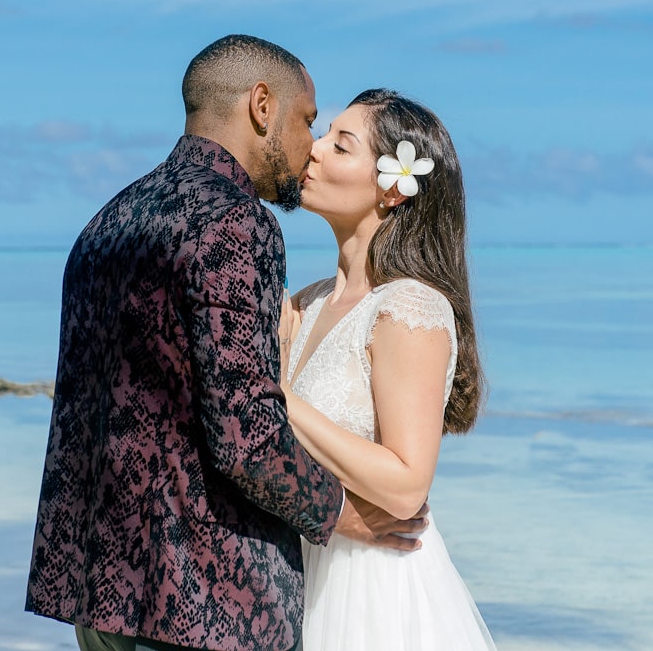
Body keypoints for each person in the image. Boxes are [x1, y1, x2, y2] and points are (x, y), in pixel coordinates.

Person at [25, 36, 427, 651]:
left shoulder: (106, 223)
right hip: (207, 600)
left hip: (101, 592)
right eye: (307, 121)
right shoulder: (237, 223)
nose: (308, 147)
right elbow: (247, 435)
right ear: (262, 106)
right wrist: (345, 518)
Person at [280, 89, 498, 650]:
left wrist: (277, 398)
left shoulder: (411, 308)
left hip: (372, 590)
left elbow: (406, 485)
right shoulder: (305, 303)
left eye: (340, 144)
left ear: (393, 188)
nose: (315, 149)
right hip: (298, 571)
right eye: (324, 134)